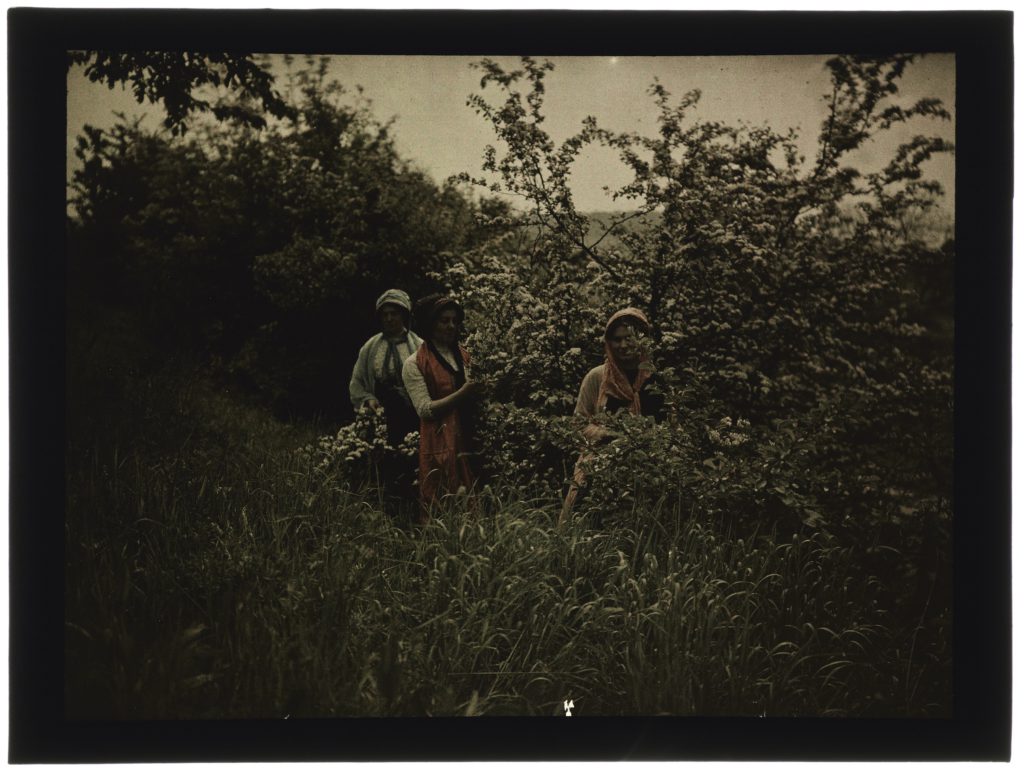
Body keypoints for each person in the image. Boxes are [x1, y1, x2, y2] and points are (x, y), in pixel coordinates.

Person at [559, 307, 666, 525]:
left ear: (642, 339)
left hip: (648, 469)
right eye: (617, 339)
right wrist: (609, 434)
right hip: (600, 468)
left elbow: (671, 427)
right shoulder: (597, 378)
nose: (623, 345)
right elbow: (578, 423)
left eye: (629, 338)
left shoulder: (656, 381)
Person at [401, 293, 485, 520]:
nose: (451, 326)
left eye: (454, 321)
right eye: (444, 321)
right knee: (442, 503)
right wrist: (464, 392)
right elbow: (425, 409)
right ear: (430, 324)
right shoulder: (414, 364)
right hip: (440, 440)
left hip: (470, 435)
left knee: (476, 500)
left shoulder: (466, 355)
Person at [349, 289, 423, 510]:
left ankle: (412, 504)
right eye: (385, 314)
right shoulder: (371, 347)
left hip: (411, 416)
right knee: (381, 465)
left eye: (395, 313)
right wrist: (368, 399)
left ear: (404, 316)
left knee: (410, 461)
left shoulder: (418, 346)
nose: (389, 319)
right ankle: (382, 505)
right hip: (381, 415)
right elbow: (358, 380)